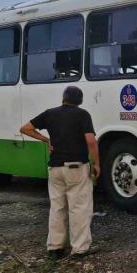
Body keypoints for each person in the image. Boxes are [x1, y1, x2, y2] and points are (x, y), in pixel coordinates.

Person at [20, 86, 100, 260]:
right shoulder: (82, 114)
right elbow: (91, 142)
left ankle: (55, 248)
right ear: (80, 100)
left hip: (55, 169)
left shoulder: (50, 114)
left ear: (63, 98)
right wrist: (97, 164)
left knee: (57, 207)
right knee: (79, 208)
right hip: (76, 168)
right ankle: (79, 249)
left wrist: (46, 139)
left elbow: (25, 128)